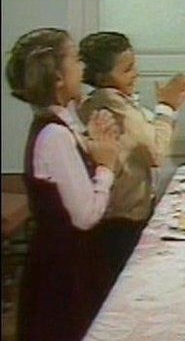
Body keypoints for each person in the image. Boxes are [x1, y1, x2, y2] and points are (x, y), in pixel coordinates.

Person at [5, 27, 120, 341]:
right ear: (57, 77)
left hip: (68, 262)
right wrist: (105, 167)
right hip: (64, 271)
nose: (83, 67)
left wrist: (95, 146)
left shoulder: (62, 125)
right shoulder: (54, 135)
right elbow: (85, 216)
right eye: (76, 59)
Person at [78, 31, 185, 275]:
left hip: (121, 213)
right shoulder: (113, 107)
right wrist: (167, 107)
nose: (135, 74)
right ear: (102, 76)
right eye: (127, 69)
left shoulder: (106, 102)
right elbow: (156, 152)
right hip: (122, 219)